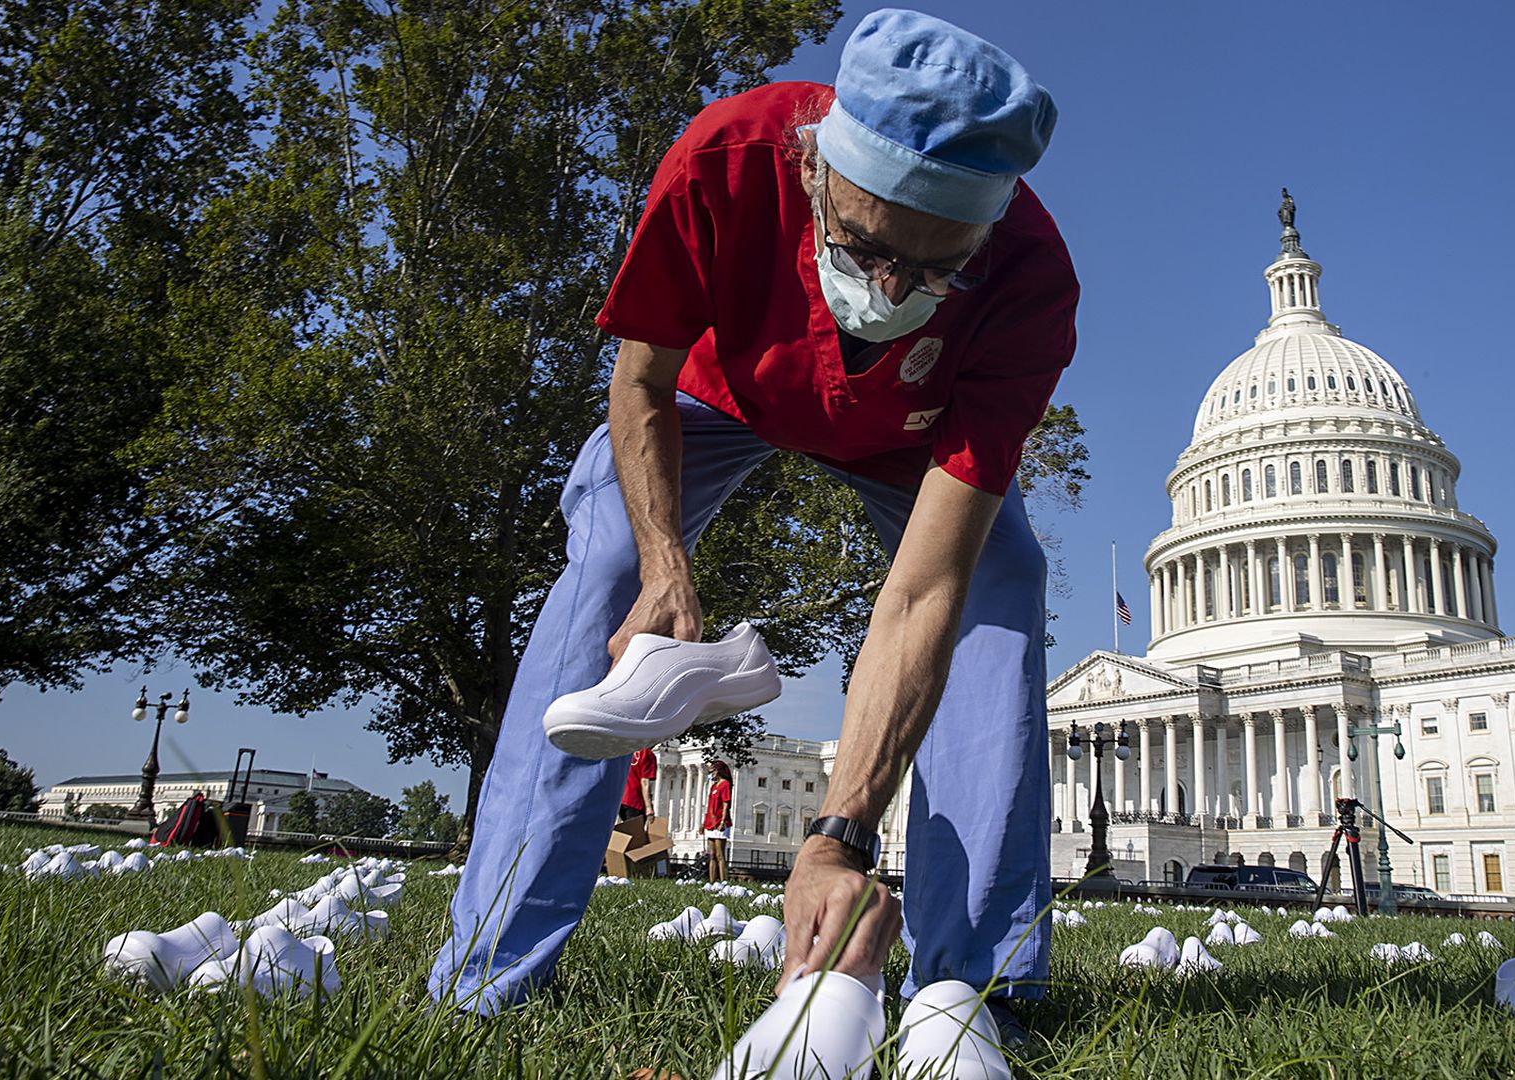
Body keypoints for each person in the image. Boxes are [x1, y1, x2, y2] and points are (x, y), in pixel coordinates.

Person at [430, 8, 1074, 1034]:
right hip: (716, 391)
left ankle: (978, 988)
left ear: (987, 234)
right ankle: (489, 972)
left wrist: (838, 834)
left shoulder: (1032, 281)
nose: (889, 287)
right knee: (601, 577)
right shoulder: (727, 155)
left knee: (998, 594)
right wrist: (662, 563)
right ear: (813, 167)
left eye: (935, 265)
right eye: (864, 244)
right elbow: (638, 376)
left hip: (912, 436)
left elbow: (922, 590)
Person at [700, 759, 733, 881]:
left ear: (718, 771)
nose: (710, 774)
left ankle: (724, 880)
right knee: (712, 854)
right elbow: (709, 806)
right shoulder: (713, 786)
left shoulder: (725, 784)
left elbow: (725, 804)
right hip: (710, 822)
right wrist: (704, 823)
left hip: (720, 822)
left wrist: (723, 821)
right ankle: (712, 881)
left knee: (720, 854)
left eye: (712, 771)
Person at [616, 746, 658, 823]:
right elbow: (645, 782)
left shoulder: (626, 751)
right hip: (636, 801)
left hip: (620, 799)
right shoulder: (647, 754)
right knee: (635, 832)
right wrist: (649, 808)